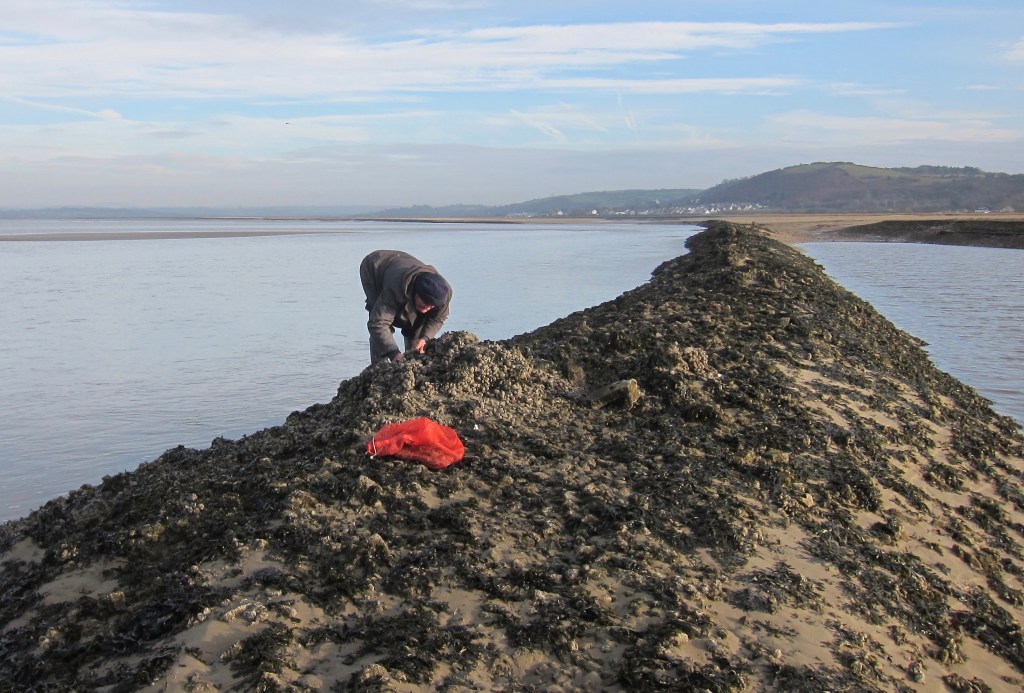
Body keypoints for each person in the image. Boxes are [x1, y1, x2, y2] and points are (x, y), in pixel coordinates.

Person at [359, 250, 452, 364]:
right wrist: (393, 353)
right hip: (375, 267)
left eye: (431, 306)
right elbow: (377, 323)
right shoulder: (395, 289)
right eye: (425, 303)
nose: (427, 308)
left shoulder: (443, 294)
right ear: (415, 292)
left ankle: (412, 359)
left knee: (417, 324)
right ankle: (378, 365)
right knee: (380, 318)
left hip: (401, 264)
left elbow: (438, 318)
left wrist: (425, 338)